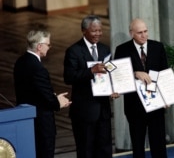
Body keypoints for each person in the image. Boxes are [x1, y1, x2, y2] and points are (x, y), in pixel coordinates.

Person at [63, 15, 119, 158]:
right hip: (84, 112)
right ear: (84, 31)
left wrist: (114, 88)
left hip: (103, 111)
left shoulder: (105, 49)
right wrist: (91, 71)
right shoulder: (74, 51)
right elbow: (68, 77)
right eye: (94, 31)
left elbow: (111, 72)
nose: (98, 34)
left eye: (100, 30)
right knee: (86, 151)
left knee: (105, 149)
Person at [114, 18, 168, 158]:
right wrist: (134, 73)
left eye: (146, 31)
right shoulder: (122, 50)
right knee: (138, 147)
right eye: (139, 33)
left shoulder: (157, 47)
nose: (144, 35)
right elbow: (118, 77)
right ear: (131, 33)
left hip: (156, 105)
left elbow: (164, 73)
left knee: (159, 145)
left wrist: (167, 96)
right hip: (135, 107)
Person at [13, 30, 72, 158]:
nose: (49, 47)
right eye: (48, 45)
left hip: (25, 121)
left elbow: (33, 92)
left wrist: (53, 97)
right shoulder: (38, 68)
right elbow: (47, 97)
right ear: (39, 46)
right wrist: (58, 101)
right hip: (41, 124)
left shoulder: (20, 62)